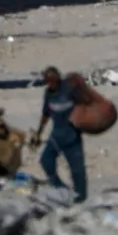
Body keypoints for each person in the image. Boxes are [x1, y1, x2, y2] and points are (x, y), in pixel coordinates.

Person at [31, 66, 87, 203]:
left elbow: (84, 104)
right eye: (47, 80)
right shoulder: (49, 94)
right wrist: (39, 133)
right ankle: (60, 188)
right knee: (46, 161)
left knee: (77, 169)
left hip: (72, 136)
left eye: (51, 80)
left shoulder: (69, 90)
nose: (49, 83)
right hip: (56, 136)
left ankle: (81, 198)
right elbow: (46, 114)